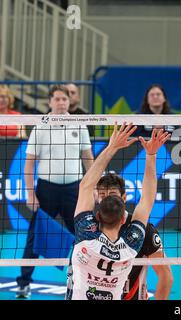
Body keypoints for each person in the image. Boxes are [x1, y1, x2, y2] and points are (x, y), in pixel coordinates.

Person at [67, 123, 171, 300]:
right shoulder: (132, 243)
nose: (106, 196)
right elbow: (147, 199)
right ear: (123, 221)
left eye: (111, 194)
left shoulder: (85, 232)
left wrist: (111, 147)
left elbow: (85, 186)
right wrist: (151, 155)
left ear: (98, 214)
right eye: (103, 194)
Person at [16, 85, 94, 298]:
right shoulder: (41, 126)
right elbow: (29, 162)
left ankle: (86, 280)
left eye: (65, 99)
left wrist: (94, 186)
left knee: (83, 236)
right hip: (47, 190)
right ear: (49, 102)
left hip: (73, 190)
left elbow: (88, 158)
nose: (61, 102)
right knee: (35, 236)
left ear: (69, 102)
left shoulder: (79, 124)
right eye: (57, 99)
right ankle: (23, 283)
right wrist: (30, 193)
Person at [96, 173, 173, 300]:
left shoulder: (143, 230)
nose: (108, 201)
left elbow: (166, 276)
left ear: (124, 198)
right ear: (97, 199)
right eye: (103, 195)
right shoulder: (90, 228)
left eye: (113, 195)